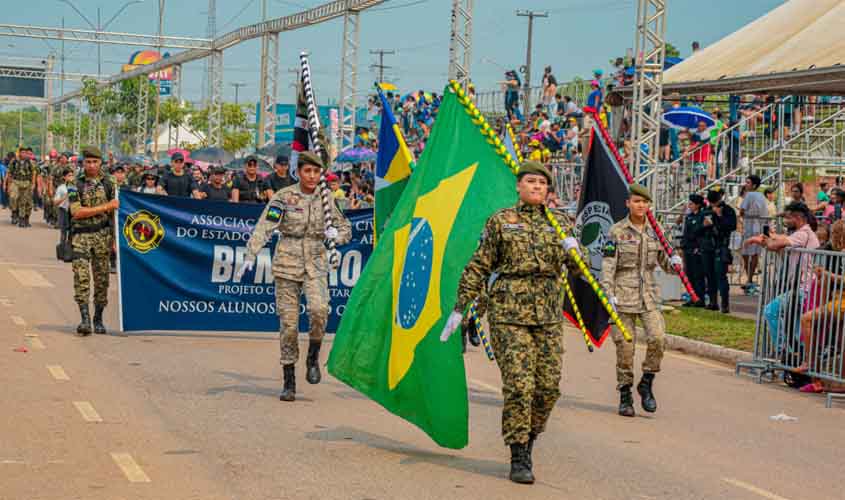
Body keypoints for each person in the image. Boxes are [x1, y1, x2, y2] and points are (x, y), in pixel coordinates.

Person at [444, 161, 584, 484]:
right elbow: (479, 266)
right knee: (520, 386)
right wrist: (460, 307)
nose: (536, 187)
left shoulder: (561, 224)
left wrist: (576, 252)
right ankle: (518, 453)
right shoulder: (501, 222)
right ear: (519, 187)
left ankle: (530, 437)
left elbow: (580, 269)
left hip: (547, 316)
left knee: (548, 388)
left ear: (548, 190)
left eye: (542, 183)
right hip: (509, 314)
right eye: (530, 181)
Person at [239, 151, 351, 402]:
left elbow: (345, 229)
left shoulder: (327, 199)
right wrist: (250, 254)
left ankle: (313, 355)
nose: (312, 176)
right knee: (289, 325)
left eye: (316, 171)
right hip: (287, 264)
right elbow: (265, 226)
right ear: (298, 172)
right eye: (307, 171)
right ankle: (289, 379)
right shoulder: (284, 197)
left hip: (315, 263)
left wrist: (336, 235)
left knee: (320, 310)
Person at [601, 184, 682, 418]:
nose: (641, 206)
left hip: (649, 295)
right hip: (622, 294)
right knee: (625, 349)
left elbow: (665, 263)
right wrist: (608, 293)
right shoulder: (616, 231)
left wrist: (676, 262)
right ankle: (625, 393)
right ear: (628, 203)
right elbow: (608, 265)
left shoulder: (655, 231)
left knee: (657, 338)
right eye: (636, 201)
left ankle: (647, 381)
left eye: (645, 202)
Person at [69, 147, 118, 336]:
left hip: (103, 237)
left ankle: (98, 318)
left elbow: (116, 213)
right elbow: (77, 212)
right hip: (80, 237)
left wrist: (115, 239)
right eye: (87, 162)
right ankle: (85, 319)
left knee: (102, 280)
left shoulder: (110, 183)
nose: (91, 165)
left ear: (100, 163)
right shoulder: (74, 183)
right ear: (83, 163)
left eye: (94, 162)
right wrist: (106, 206)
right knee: (81, 279)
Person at [700, 188, 737, 312]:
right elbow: (700, 229)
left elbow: (731, 226)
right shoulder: (707, 211)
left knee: (721, 276)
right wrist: (704, 225)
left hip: (721, 246)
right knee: (709, 275)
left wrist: (719, 216)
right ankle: (713, 302)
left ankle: (725, 304)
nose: (714, 205)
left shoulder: (728, 210)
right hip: (707, 247)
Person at [740, 175, 768, 291]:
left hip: (749, 227)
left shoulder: (749, 195)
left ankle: (749, 278)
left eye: (748, 183)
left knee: (746, 253)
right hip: (759, 227)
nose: (746, 184)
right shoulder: (761, 196)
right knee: (755, 254)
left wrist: (744, 215)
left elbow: (742, 210)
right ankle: (750, 278)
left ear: (754, 185)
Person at [681, 194, 706, 306]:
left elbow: (699, 233)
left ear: (698, 205)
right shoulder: (689, 216)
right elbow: (686, 233)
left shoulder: (702, 216)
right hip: (688, 248)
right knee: (689, 274)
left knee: (698, 275)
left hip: (697, 248)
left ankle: (700, 298)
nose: (689, 206)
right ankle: (692, 297)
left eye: (691, 204)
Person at [8, 147, 37, 227]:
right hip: (16, 182)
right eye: (22, 152)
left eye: (25, 153)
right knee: (13, 197)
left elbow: (34, 173)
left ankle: (22, 220)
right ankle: (14, 212)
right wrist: (8, 184)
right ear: (19, 153)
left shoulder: (30, 162)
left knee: (24, 201)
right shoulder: (14, 161)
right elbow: (9, 173)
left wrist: (33, 184)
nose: (24, 154)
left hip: (26, 183)